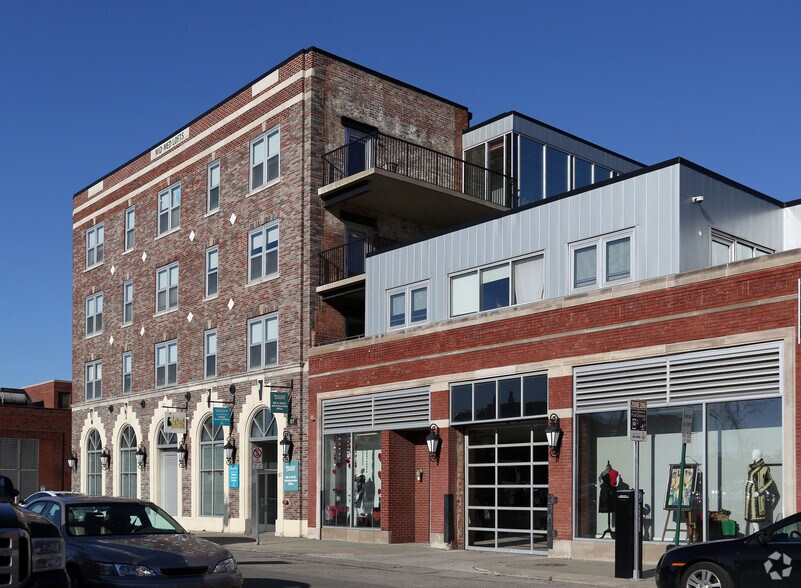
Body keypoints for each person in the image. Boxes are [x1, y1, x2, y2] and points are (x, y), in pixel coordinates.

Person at [745, 449, 772, 532]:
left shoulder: (764, 468)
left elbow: (769, 481)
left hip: (757, 494)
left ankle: (758, 532)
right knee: (751, 516)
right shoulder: (751, 467)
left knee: (756, 516)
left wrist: (759, 491)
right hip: (750, 494)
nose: (752, 455)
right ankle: (756, 532)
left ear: (758, 455)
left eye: (754, 454)